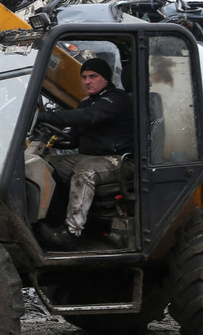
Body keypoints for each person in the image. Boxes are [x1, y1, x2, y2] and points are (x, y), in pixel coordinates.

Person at [36, 57, 134, 248]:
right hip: (87, 156)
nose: (87, 81)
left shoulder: (116, 99)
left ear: (105, 78)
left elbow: (90, 117)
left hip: (118, 160)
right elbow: (73, 137)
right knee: (45, 165)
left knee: (84, 173)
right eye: (84, 77)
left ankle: (71, 232)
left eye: (93, 76)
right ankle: (52, 220)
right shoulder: (86, 103)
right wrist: (47, 138)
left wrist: (47, 116)